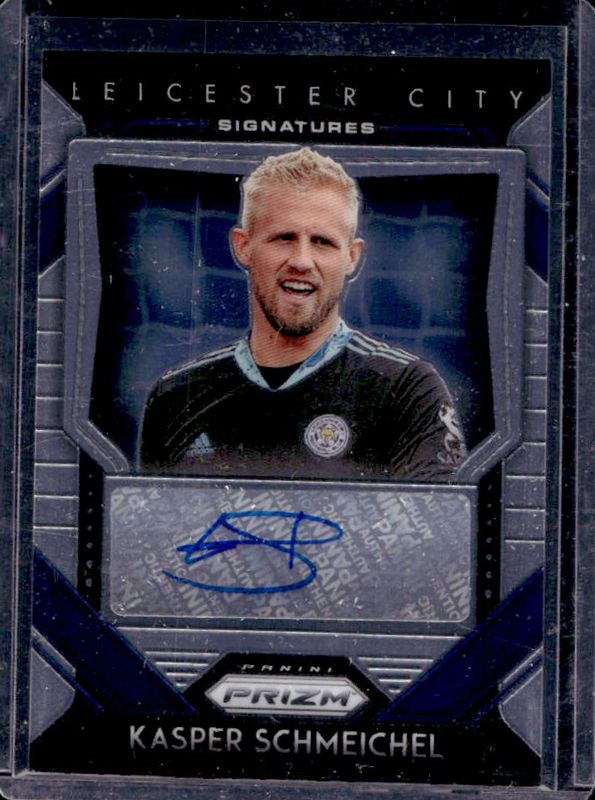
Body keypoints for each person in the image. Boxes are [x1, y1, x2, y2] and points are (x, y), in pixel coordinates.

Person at [140, 147, 466, 481]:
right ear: (243, 246)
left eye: (322, 242)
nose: (301, 261)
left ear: (352, 257)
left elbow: (440, 514)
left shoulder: (407, 388)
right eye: (284, 238)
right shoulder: (176, 395)